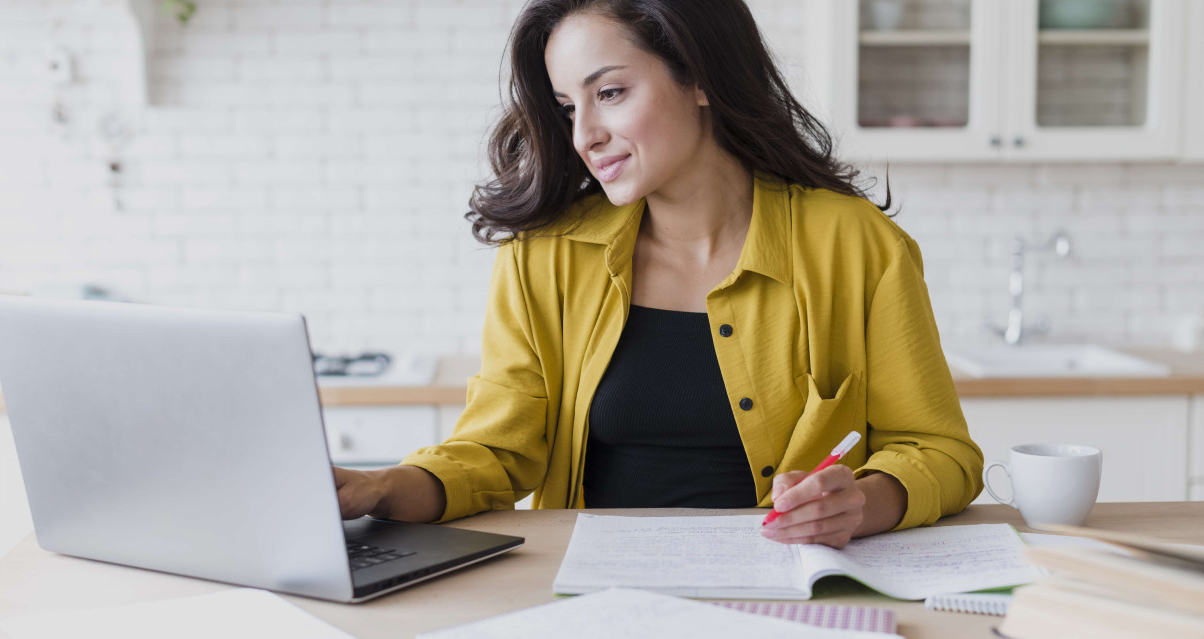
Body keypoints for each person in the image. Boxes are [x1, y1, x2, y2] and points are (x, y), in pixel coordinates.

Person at [334, 0, 983, 548]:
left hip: (785, 585)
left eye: (609, 93)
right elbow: (495, 455)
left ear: (700, 77)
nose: (584, 135)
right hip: (591, 590)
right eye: (567, 107)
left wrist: (863, 503)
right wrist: (380, 485)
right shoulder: (545, 255)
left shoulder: (856, 245)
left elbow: (941, 454)